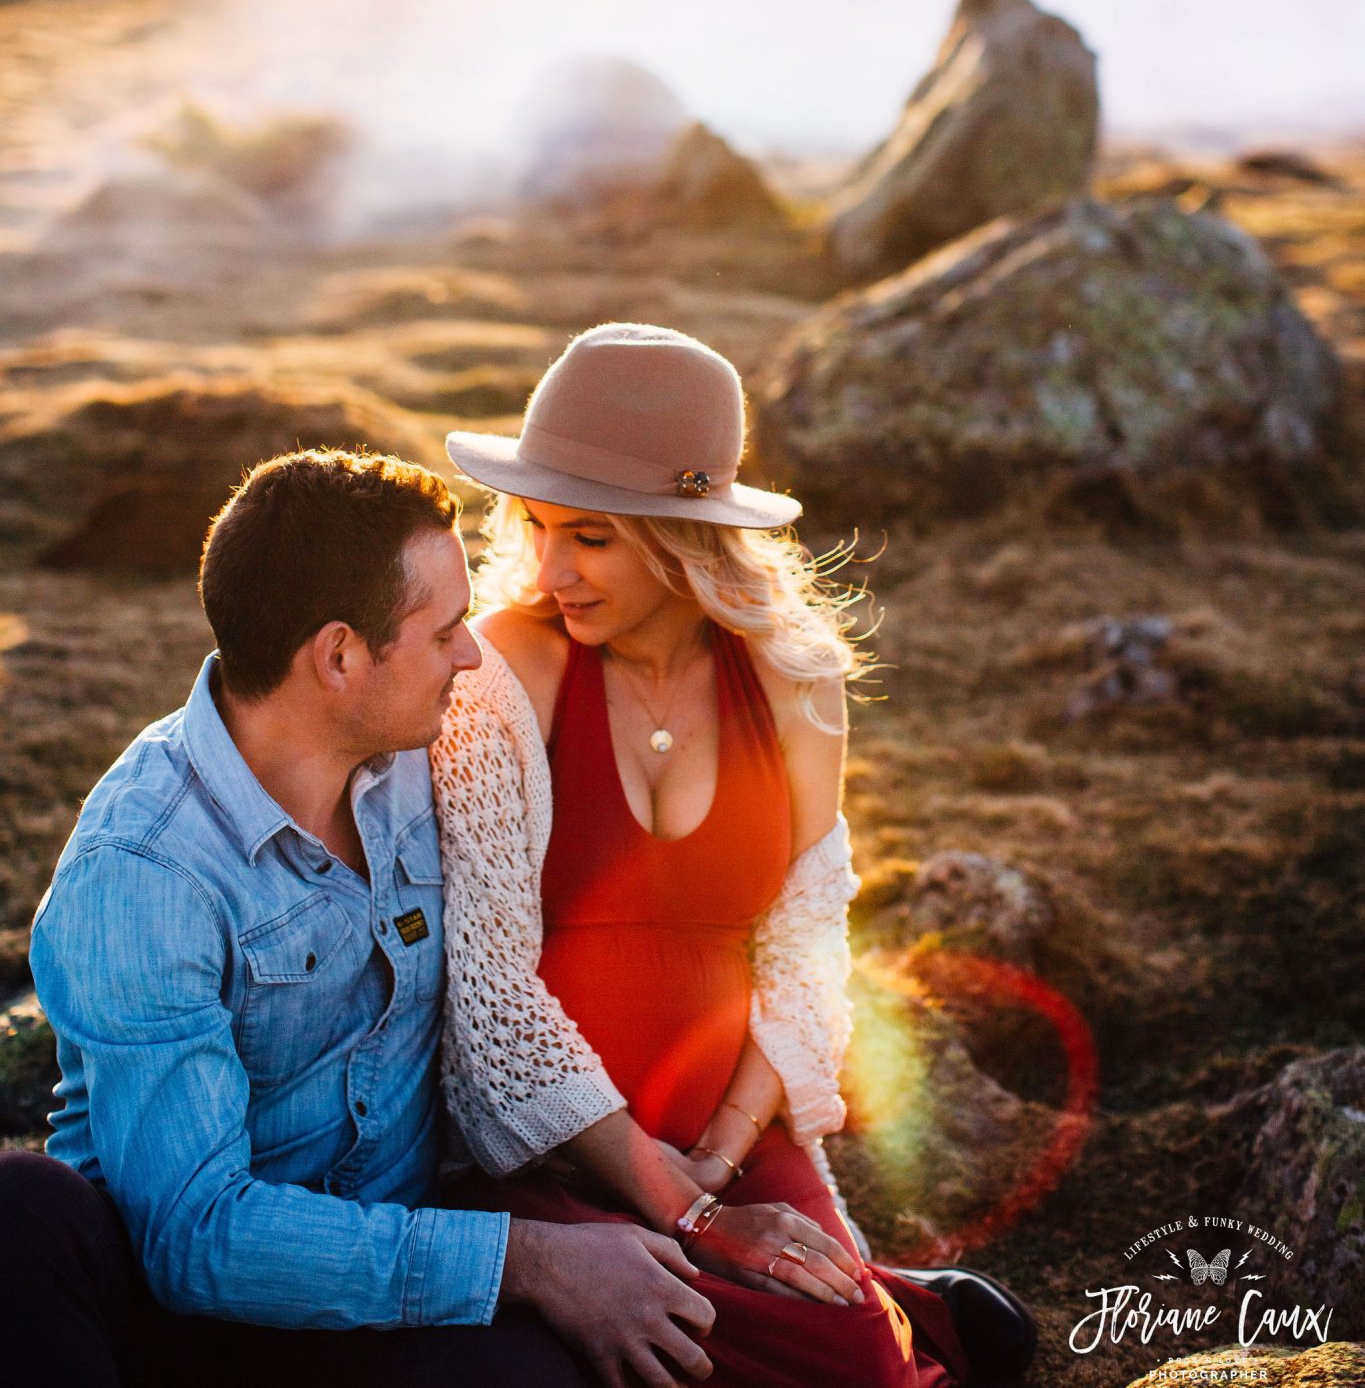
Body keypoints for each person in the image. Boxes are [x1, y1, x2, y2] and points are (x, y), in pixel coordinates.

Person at [0, 448, 716, 1388]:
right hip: (178, 1312)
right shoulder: (144, 874)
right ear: (339, 656)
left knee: (560, 1363)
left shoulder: (429, 756)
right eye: (444, 632)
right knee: (19, 1209)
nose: (472, 656)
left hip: (389, 1291)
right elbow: (196, 1234)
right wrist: (522, 1259)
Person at [434, 322, 1035, 1386]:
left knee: (852, 1361)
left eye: (591, 536)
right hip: (548, 1143)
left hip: (733, 1133)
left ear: (680, 533)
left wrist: (719, 1161)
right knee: (633, 1348)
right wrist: (683, 1201)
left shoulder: (796, 680)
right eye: (537, 526)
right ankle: (915, 1300)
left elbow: (807, 944)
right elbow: (486, 986)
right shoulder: (503, 669)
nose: (552, 566)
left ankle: (899, 1309)